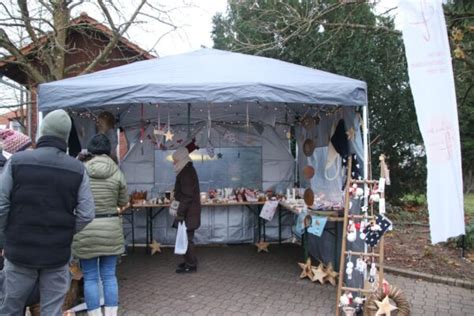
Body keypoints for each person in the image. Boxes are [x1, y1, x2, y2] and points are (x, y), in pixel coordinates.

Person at [0, 109, 95, 316]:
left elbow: (1, 206)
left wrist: (7, 235)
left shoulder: (17, 162)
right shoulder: (77, 169)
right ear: (65, 136)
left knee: (10, 309)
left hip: (19, 251)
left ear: (41, 132)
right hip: (57, 253)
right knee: (51, 311)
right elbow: (87, 214)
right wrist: (65, 231)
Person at [72, 133, 128, 316]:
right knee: (109, 276)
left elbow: (74, 200)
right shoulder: (117, 171)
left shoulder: (80, 171)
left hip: (86, 228)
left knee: (90, 277)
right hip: (110, 228)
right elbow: (123, 202)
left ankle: (94, 314)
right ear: (108, 150)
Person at [171, 146, 201, 273]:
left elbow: (187, 195)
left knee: (187, 238)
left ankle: (191, 264)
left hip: (188, 212)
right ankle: (188, 261)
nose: (174, 162)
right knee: (185, 237)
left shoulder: (186, 172)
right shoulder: (186, 169)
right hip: (189, 211)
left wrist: (180, 211)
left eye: (175, 159)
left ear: (181, 159)